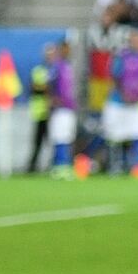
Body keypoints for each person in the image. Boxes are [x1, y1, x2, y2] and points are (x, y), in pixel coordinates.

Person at [104, 30, 138, 174]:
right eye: (135, 40)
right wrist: (123, 94)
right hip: (118, 102)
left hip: (136, 103)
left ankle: (135, 166)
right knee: (115, 135)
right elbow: (114, 77)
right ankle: (115, 165)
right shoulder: (121, 57)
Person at [48, 42, 78, 178]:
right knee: (60, 136)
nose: (67, 51)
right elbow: (49, 83)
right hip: (60, 108)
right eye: (65, 49)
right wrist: (53, 98)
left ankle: (62, 165)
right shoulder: (57, 66)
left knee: (66, 137)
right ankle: (60, 166)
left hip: (69, 107)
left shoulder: (67, 66)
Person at [28, 46, 53, 173]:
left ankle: (53, 165)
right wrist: (48, 89)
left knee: (52, 140)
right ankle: (32, 166)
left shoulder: (55, 69)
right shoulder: (39, 70)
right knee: (38, 140)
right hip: (41, 111)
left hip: (53, 111)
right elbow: (34, 87)